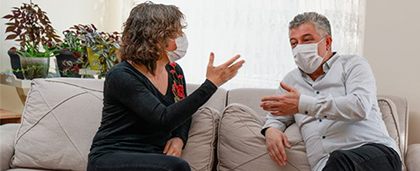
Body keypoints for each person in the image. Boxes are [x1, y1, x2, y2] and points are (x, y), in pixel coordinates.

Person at [87, 2, 244, 171]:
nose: (182, 37)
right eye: (177, 32)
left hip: (152, 157)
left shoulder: (175, 72)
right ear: (156, 38)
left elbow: (183, 112)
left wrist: (179, 138)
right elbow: (163, 118)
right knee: (177, 167)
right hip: (111, 156)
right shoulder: (121, 75)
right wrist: (210, 85)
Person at [260, 12, 401, 171]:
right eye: (294, 43)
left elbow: (359, 106)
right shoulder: (289, 81)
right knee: (336, 161)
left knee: (339, 159)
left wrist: (303, 104)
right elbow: (276, 116)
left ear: (327, 42)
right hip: (325, 165)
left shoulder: (353, 65)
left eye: (307, 40)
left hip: (375, 153)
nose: (299, 48)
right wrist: (271, 130)